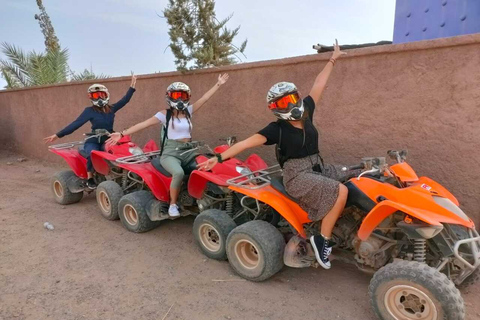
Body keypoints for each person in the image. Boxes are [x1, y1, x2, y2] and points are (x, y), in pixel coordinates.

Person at [198, 40, 348, 270]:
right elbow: (246, 143)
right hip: (296, 175)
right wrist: (217, 158)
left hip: (318, 167)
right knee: (341, 190)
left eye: (292, 98)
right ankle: (322, 241)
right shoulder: (276, 128)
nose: (291, 104)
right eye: (283, 102)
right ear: (275, 108)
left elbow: (319, 84)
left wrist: (332, 59)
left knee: (359, 175)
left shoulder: (307, 110)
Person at [106, 74, 229, 217]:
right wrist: (121, 133)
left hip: (189, 151)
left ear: (188, 96)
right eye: (176, 95)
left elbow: (205, 98)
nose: (179, 99)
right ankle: (172, 205)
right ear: (169, 97)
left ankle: (203, 200)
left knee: (207, 166)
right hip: (171, 153)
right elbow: (144, 124)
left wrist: (218, 84)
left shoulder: (188, 111)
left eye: (183, 96)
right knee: (178, 173)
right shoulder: (164, 114)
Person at [44, 74, 137, 189]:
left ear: (106, 95)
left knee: (124, 150)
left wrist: (132, 86)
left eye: (101, 95)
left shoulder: (111, 109)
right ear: (91, 97)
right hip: (94, 140)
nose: (99, 98)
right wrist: (57, 135)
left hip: (109, 138)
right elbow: (75, 124)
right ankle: (90, 178)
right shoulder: (89, 111)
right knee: (93, 153)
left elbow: (125, 100)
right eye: (95, 95)